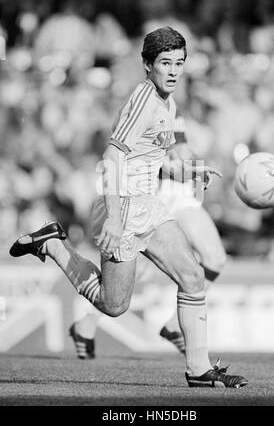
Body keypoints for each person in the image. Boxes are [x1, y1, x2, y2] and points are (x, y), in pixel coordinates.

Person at [10, 27, 247, 388]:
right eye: (165, 63)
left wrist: (189, 170)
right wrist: (117, 222)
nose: (173, 70)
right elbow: (112, 158)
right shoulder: (145, 100)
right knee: (113, 304)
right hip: (120, 205)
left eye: (179, 63)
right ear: (147, 65)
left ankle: (199, 370)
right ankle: (53, 244)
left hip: (147, 204)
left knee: (193, 277)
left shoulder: (168, 104)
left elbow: (148, 160)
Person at [69, 119, 227, 358]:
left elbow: (181, 150)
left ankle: (174, 326)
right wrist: (193, 164)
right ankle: (86, 324)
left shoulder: (174, 108)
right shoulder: (149, 105)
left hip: (181, 192)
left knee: (214, 257)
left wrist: (196, 166)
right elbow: (167, 153)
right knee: (137, 269)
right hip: (158, 193)